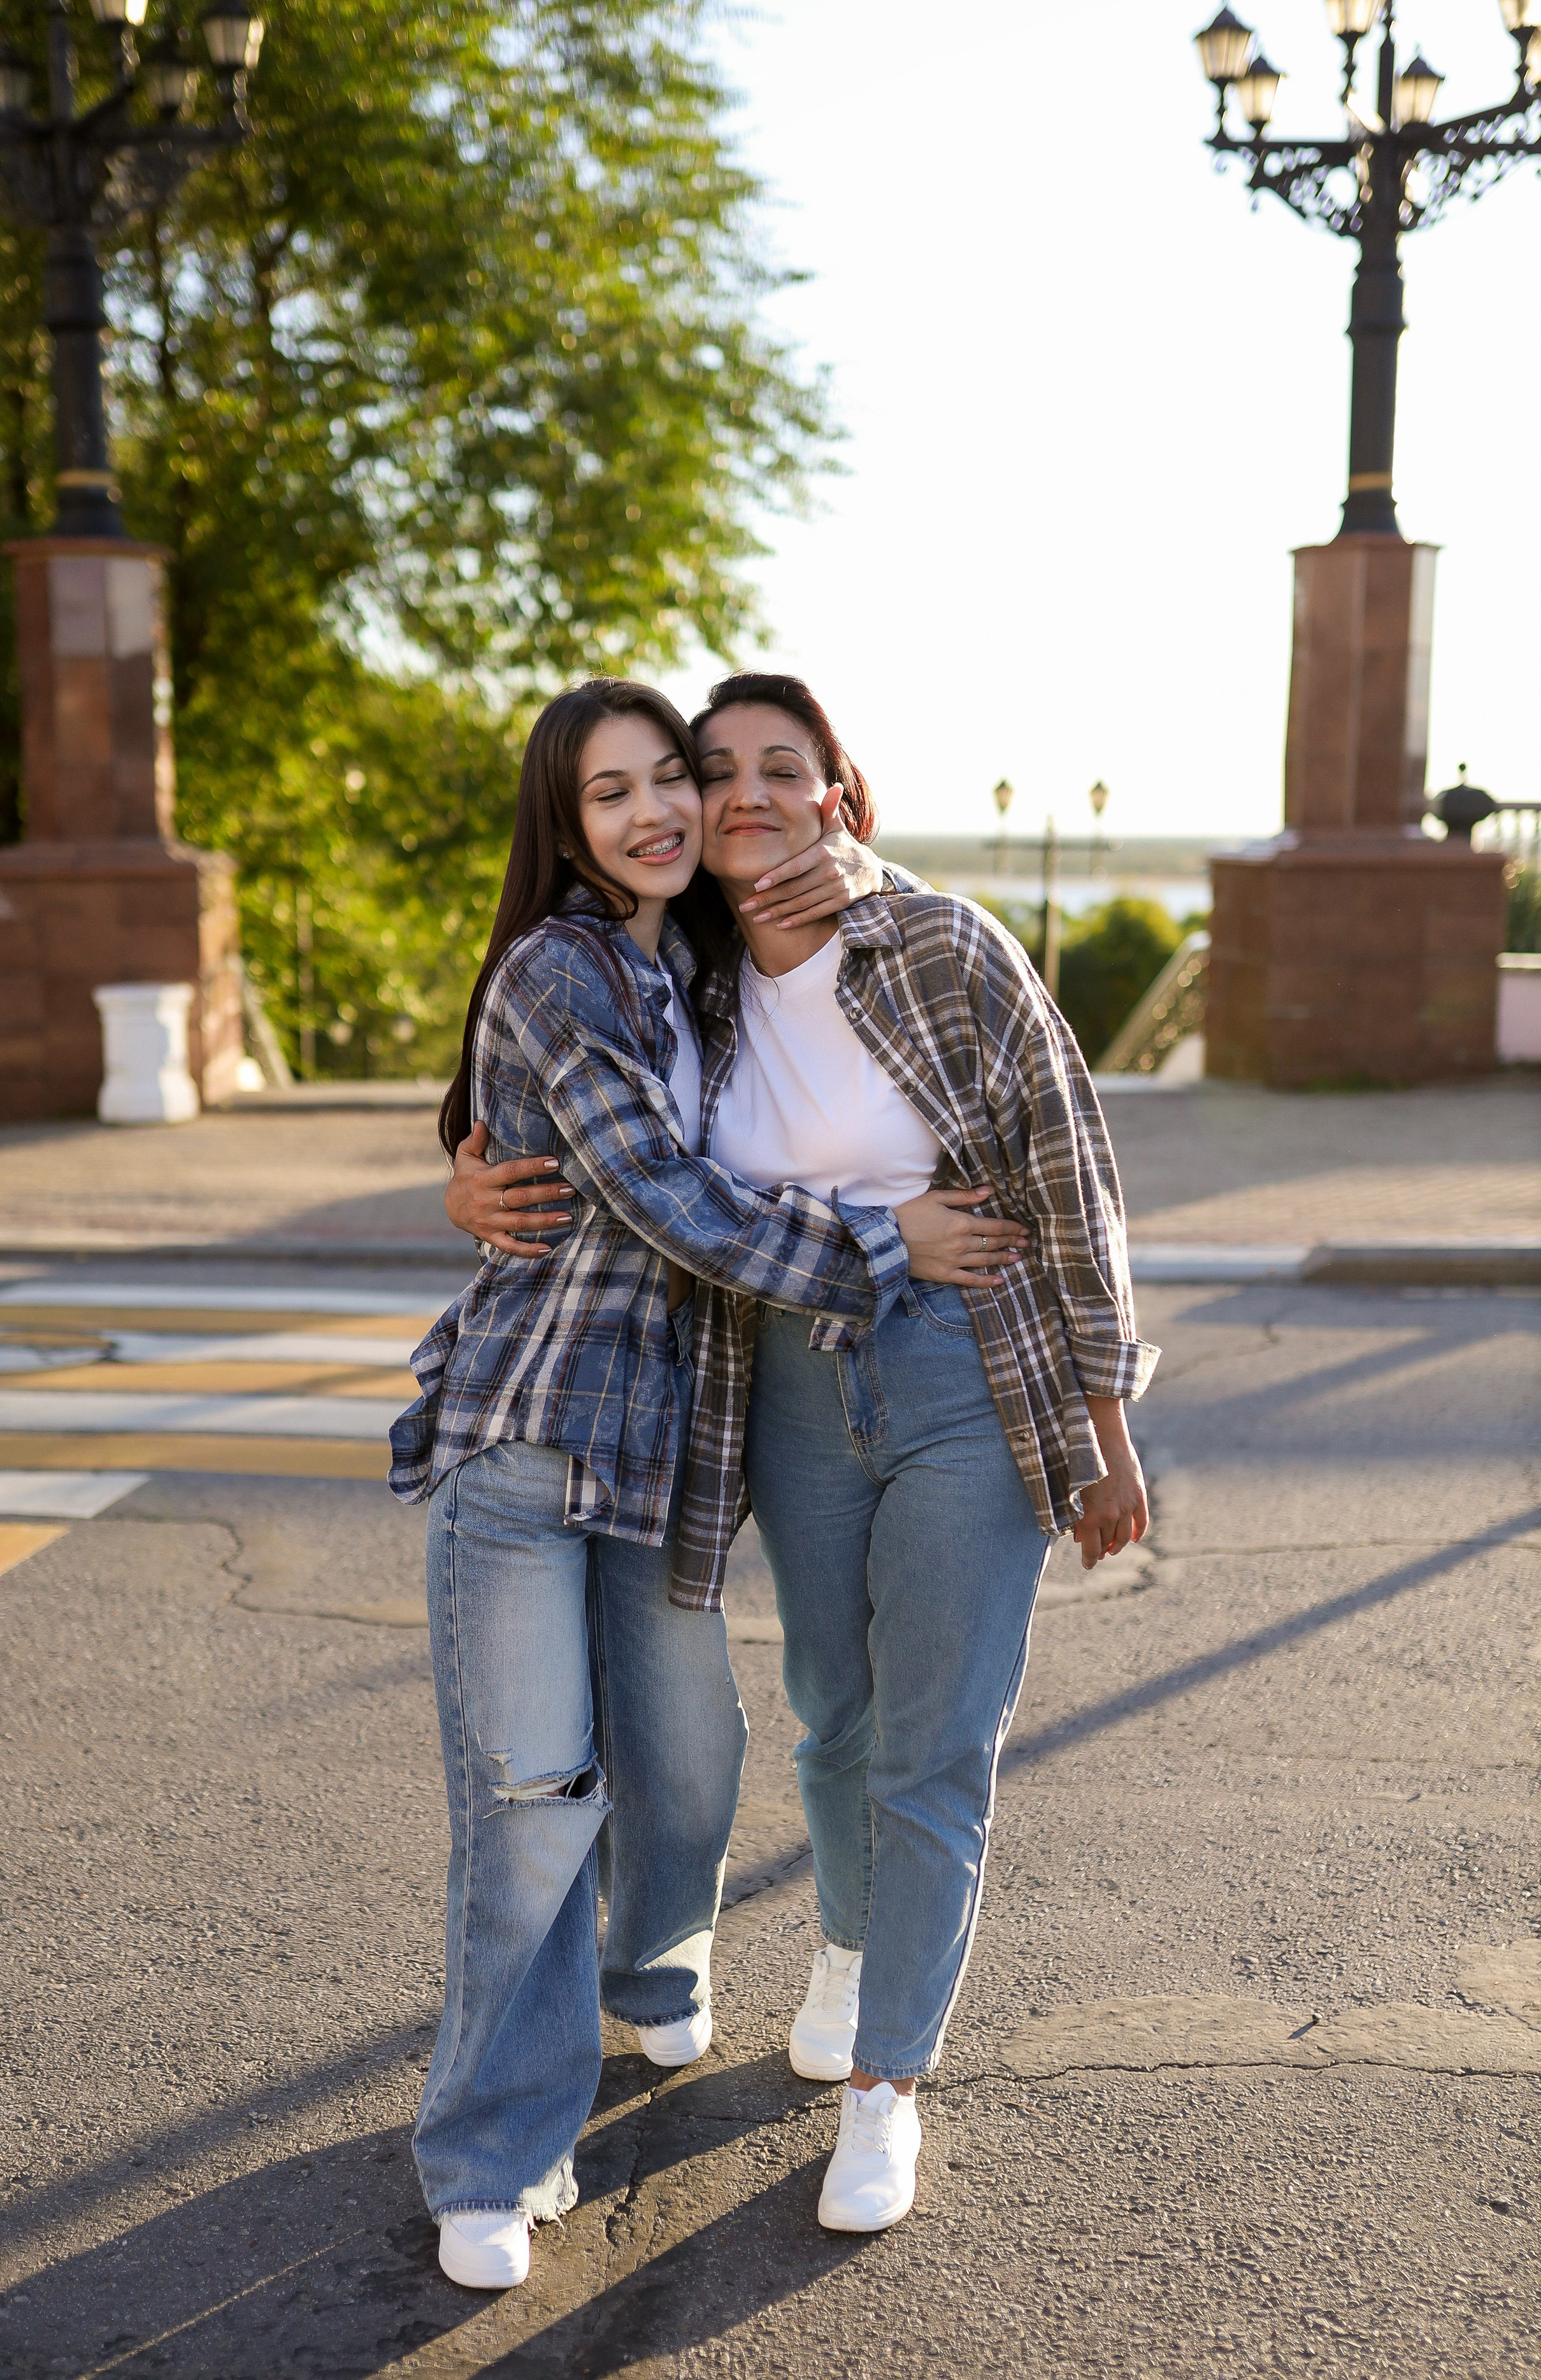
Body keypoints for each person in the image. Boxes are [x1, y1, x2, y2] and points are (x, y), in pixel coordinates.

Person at [447, 671, 1156, 2239]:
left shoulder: (939, 947)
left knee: (935, 1741)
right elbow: (579, 1126)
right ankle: (844, 1945)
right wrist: (466, 1176)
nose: (742, 794)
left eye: (785, 767)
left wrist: (1108, 1429)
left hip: (967, 1369)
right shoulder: (680, 975)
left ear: (841, 793)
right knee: (828, 1709)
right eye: (715, 771)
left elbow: (1070, 1170)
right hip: (775, 1378)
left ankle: (884, 2087)